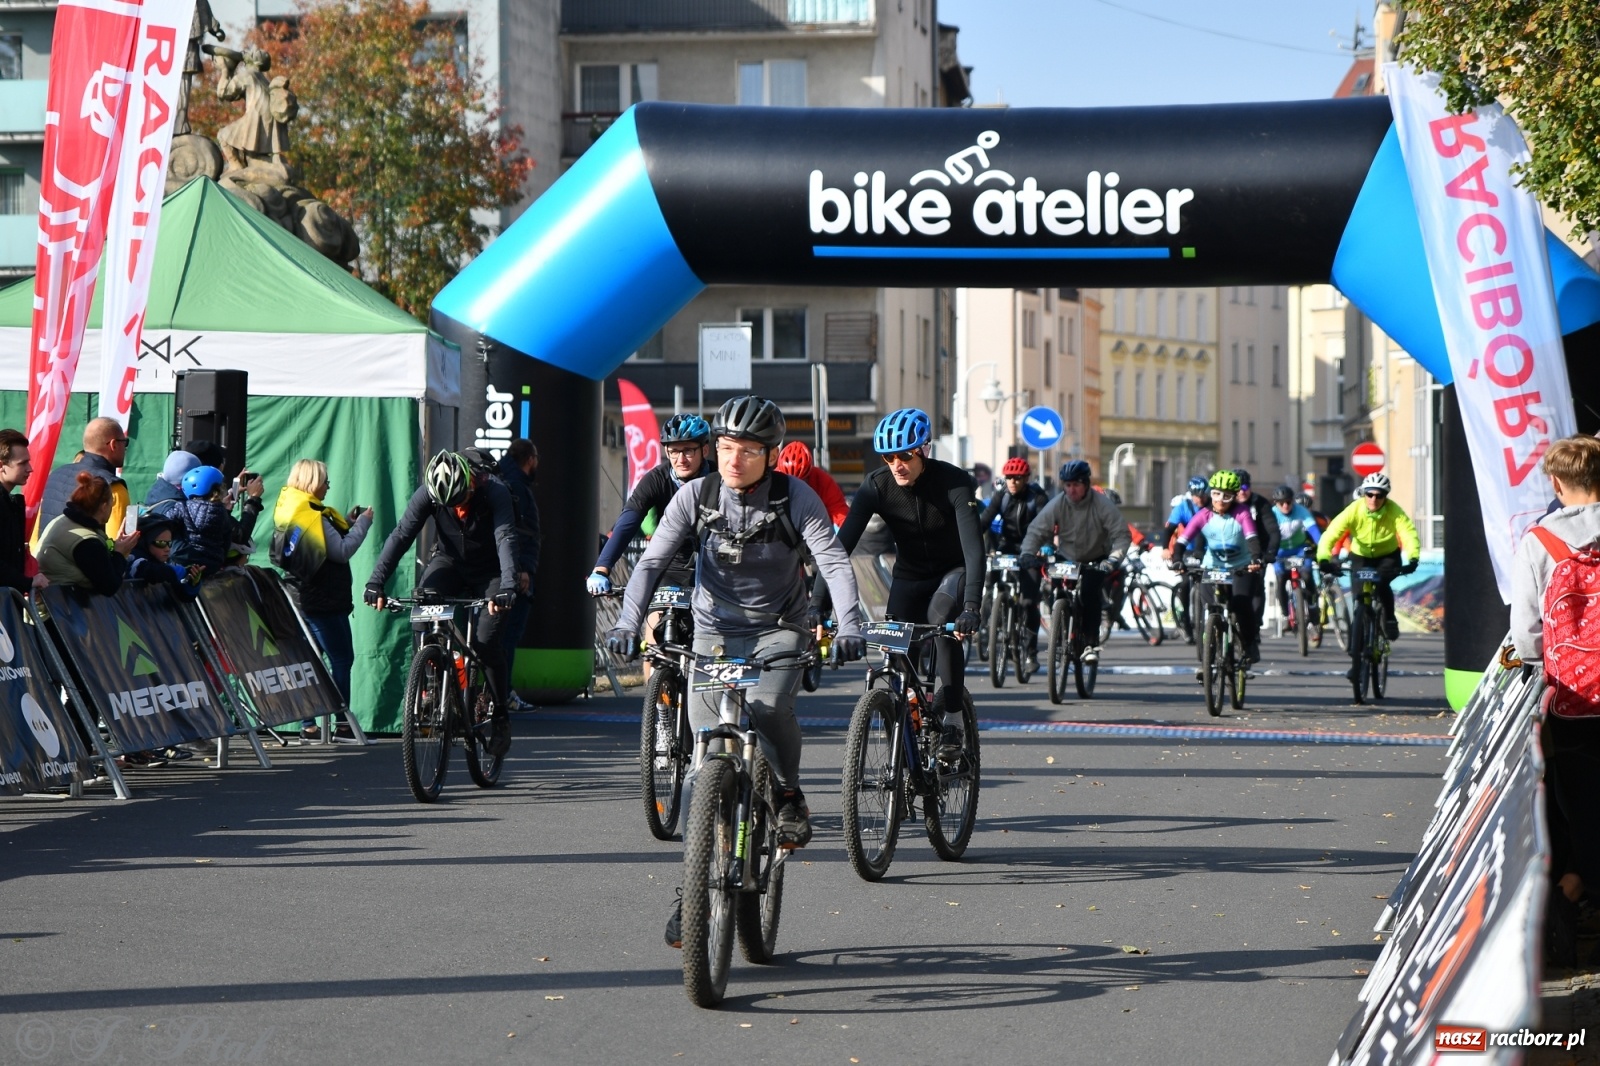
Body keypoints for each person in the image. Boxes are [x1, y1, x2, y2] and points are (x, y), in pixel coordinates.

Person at [603, 395, 866, 950]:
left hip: (779, 626)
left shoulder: (797, 499)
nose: (733, 460)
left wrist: (847, 624)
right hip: (713, 629)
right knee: (705, 755)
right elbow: (651, 561)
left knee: (769, 710)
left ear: (769, 455)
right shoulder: (695, 495)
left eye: (747, 451)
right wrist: (628, 620)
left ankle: (789, 796)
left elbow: (833, 561)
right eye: (725, 449)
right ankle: (694, 888)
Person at [821, 407, 985, 717]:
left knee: (941, 623)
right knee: (897, 651)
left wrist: (971, 608)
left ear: (925, 450)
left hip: (953, 572)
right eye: (888, 458)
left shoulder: (955, 483)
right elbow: (838, 549)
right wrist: (818, 604)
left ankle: (952, 721)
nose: (897, 465)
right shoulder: (877, 486)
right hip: (909, 576)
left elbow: (975, 551)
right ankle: (907, 724)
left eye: (905, 456)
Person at [1506, 436, 1600, 953]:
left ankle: (1567, 892)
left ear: (1557, 485)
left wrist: (1545, 670)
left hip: (1575, 700)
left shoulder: (1541, 541)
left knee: (1577, 805)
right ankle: (1575, 889)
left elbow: (1526, 631)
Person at [366, 451, 519, 757]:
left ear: (471, 483)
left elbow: (505, 537)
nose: (457, 508)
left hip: (490, 570)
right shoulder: (428, 494)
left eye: (461, 499)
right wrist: (375, 581)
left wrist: (507, 587)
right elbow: (401, 535)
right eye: (449, 504)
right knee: (421, 614)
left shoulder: (494, 491)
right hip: (449, 562)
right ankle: (434, 683)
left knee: (485, 642)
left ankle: (500, 715)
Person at [274, 459, 374, 739]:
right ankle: (343, 724)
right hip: (324, 602)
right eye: (325, 481)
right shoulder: (314, 516)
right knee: (342, 658)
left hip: (302, 599)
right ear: (312, 483)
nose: (328, 486)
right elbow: (341, 551)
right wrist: (363, 525)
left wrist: (349, 522)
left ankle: (308, 724)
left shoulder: (292, 508)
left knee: (311, 662)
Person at [588, 414, 712, 600]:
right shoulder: (655, 479)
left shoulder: (719, 479)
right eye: (673, 452)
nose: (681, 459)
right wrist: (601, 569)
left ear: (705, 450)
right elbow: (627, 523)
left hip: (714, 567)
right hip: (672, 565)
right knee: (655, 624)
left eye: (688, 451)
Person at [1019, 459, 1130, 665]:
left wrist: (1113, 559)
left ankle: (1090, 643)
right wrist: (1027, 553)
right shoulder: (1058, 504)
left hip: (1096, 558)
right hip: (1066, 557)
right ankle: (1059, 635)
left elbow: (1121, 535)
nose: (1071, 490)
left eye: (1076, 485)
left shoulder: (1102, 504)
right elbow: (1037, 530)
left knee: (1089, 594)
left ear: (1086, 484)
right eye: (1067, 485)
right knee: (1056, 592)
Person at [1316, 472, 1419, 660]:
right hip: (1361, 556)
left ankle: (1389, 619)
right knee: (1359, 599)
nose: (1374, 499)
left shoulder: (1394, 511)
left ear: (1385, 497)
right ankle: (1358, 651)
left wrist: (1413, 558)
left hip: (1387, 556)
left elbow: (1408, 533)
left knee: (1381, 584)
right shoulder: (1353, 510)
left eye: (1379, 495)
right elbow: (1331, 534)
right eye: (1370, 494)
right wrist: (1324, 558)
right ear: (1364, 494)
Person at [1175, 469, 1265, 665]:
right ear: (1211, 493)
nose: (1221, 500)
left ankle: (1249, 643)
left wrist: (1256, 558)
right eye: (1216, 494)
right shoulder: (1203, 515)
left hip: (1240, 566)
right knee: (1209, 605)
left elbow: (1252, 537)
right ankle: (1209, 656)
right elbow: (1183, 540)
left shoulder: (1242, 513)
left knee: (1241, 605)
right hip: (1213, 566)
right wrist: (1177, 559)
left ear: (1234, 497)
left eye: (1227, 496)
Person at [980, 457, 1049, 670]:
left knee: (1028, 602)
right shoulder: (1002, 496)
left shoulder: (1037, 497)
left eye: (1017, 478)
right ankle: (997, 621)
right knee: (994, 583)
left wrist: (1044, 546)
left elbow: (1047, 524)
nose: (1012, 482)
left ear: (1026, 479)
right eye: (1009, 477)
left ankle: (1030, 652)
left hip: (1031, 548)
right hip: (1008, 546)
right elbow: (985, 519)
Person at [495, 440, 542, 713]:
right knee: (507, 636)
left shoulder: (501, 480)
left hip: (502, 571)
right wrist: (523, 568)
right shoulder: (517, 487)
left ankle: (490, 693)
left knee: (495, 637)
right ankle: (502, 695)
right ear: (531, 459)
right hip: (514, 574)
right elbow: (521, 532)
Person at [36, 472, 139, 594]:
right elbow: (110, 586)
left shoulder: (64, 521)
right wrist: (119, 554)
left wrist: (114, 546)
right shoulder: (86, 541)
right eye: (112, 505)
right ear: (104, 506)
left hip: (57, 604)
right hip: (59, 608)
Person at [35, 417, 131, 540]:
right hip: (87, 558)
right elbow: (118, 546)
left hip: (44, 556)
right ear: (113, 445)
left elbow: (36, 533)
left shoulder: (54, 475)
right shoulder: (114, 488)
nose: (125, 448)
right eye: (125, 442)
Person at [170, 466, 264, 579]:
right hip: (211, 566)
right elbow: (237, 535)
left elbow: (167, 523)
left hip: (184, 562)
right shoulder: (220, 512)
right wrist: (253, 499)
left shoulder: (182, 507)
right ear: (217, 490)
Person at [1271, 485, 1322, 628]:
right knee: (1281, 578)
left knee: (1306, 574)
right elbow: (1266, 536)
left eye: (1288, 501)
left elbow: (1314, 531)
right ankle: (1286, 614)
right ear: (1276, 503)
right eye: (1281, 503)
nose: (1286, 505)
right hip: (1280, 550)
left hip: (1299, 548)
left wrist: (1321, 548)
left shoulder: (1302, 511)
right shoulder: (1272, 514)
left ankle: (1313, 607)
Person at [0, 429, 44, 595]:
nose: (30, 469)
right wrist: (28, 582)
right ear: (1, 466)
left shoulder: (11, 503)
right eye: (22, 463)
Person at [776, 441, 850, 528]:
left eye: (802, 481)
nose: (795, 487)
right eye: (789, 482)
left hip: (816, 526)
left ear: (809, 474)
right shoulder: (773, 480)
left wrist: (850, 531)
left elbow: (839, 511)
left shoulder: (823, 480)